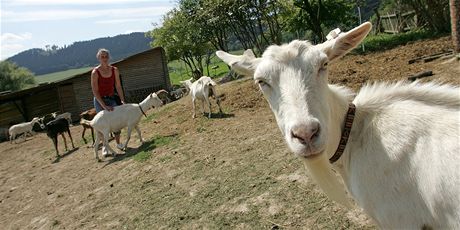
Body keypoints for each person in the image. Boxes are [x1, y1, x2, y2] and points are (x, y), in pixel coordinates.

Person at [91, 48, 126, 156]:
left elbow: (118, 86)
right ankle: (105, 147)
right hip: (99, 100)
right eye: (102, 57)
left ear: (109, 57)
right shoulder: (95, 72)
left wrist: (122, 100)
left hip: (111, 98)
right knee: (102, 125)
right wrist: (104, 106)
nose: (105, 58)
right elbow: (95, 91)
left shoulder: (114, 70)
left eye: (106, 56)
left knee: (116, 122)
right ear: (98, 58)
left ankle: (118, 143)